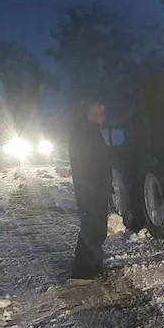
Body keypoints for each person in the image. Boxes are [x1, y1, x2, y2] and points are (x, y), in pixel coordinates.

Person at [68, 100, 112, 279]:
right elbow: (86, 164)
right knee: (92, 227)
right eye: (98, 111)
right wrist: (91, 188)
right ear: (87, 113)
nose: (103, 115)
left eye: (103, 110)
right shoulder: (84, 133)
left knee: (97, 227)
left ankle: (94, 263)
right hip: (90, 189)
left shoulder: (92, 132)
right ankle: (83, 271)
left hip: (96, 188)